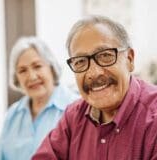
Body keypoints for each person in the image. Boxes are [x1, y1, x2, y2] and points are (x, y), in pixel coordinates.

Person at [32, 16, 157, 160]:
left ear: (129, 59)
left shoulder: (153, 118)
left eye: (105, 55)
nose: (94, 73)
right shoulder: (73, 117)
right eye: (80, 61)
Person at [0, 36, 79, 160]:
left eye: (37, 66)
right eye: (22, 70)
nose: (32, 77)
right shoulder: (13, 114)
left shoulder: (76, 108)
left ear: (51, 67)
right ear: (16, 77)